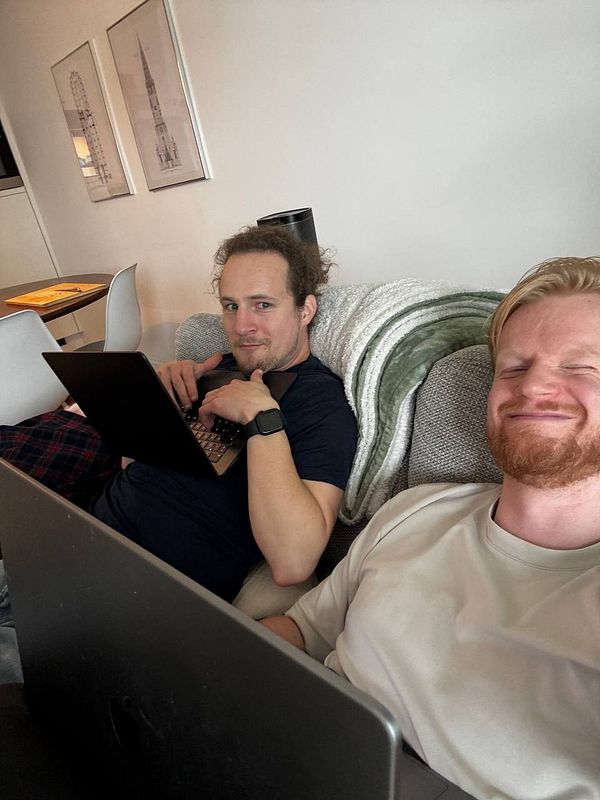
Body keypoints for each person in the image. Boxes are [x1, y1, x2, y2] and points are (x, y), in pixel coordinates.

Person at [261, 256, 600, 800]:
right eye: (513, 368)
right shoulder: (416, 509)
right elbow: (302, 630)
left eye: (581, 367)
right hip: (287, 749)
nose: (534, 385)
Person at [89, 226, 357, 601]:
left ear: (305, 310)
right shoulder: (214, 369)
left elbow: (294, 562)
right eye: (231, 306)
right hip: (84, 531)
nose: (241, 326)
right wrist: (156, 404)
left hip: (142, 588)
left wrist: (262, 418)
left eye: (262, 305)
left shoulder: (321, 401)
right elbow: (130, 467)